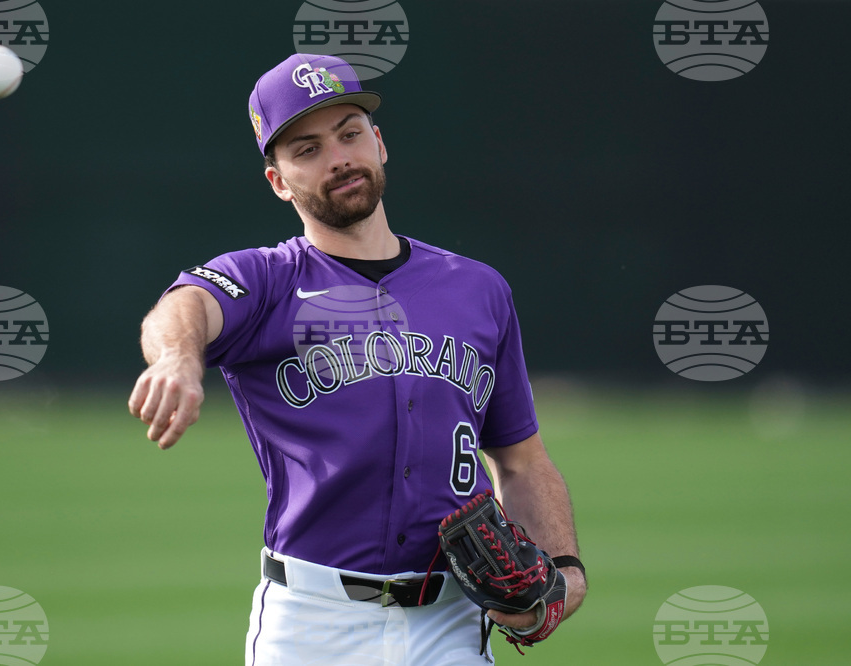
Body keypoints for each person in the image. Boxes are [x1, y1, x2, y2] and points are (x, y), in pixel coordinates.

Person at [128, 53, 586, 665]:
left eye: (350, 134)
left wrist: (565, 570)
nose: (339, 157)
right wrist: (178, 358)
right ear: (279, 181)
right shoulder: (267, 280)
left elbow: (521, 461)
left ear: (379, 143)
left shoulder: (478, 288)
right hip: (312, 624)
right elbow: (187, 303)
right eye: (308, 149)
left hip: (451, 623)